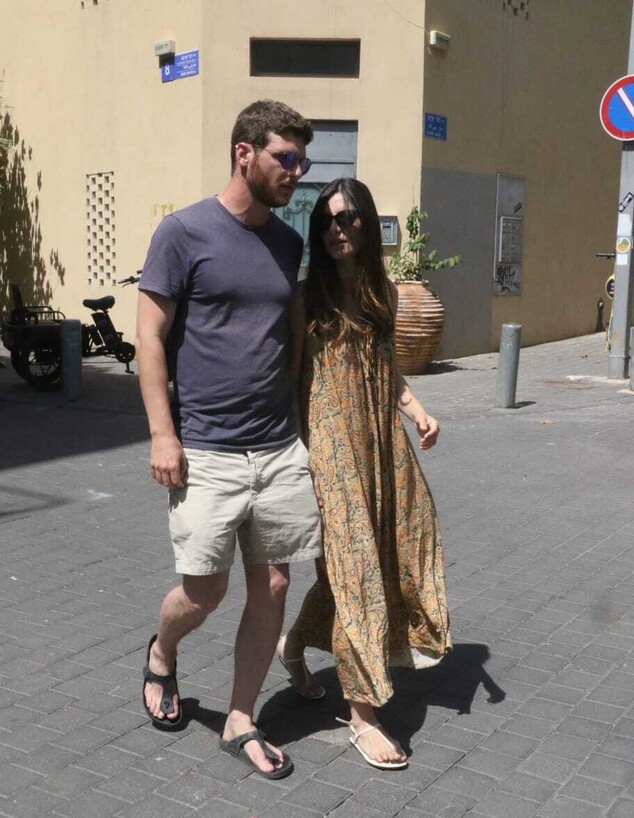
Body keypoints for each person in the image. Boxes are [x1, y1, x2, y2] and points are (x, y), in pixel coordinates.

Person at [136, 99, 322, 780]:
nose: (296, 171)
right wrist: (163, 434)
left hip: (277, 447)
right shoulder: (183, 232)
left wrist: (304, 431)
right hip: (206, 447)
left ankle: (241, 717)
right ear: (245, 153)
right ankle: (162, 652)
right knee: (203, 593)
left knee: (273, 583)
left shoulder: (288, 244)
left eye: (302, 161)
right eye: (286, 157)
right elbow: (149, 336)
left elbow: (292, 344)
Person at [277, 178, 452, 770]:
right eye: (327, 221)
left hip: (381, 443)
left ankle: (294, 644)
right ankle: (362, 714)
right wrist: (296, 454)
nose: (337, 229)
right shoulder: (307, 299)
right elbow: (291, 379)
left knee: (383, 557)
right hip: (330, 451)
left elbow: (387, 370)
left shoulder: (384, 294)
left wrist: (418, 411)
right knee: (357, 573)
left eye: (348, 218)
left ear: (368, 224)